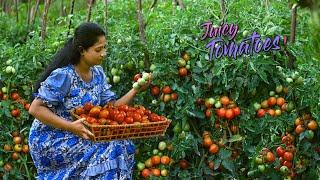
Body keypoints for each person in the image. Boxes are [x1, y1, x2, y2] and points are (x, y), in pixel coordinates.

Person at [28, 22, 150, 179]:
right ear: (82, 51)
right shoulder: (65, 75)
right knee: (113, 148)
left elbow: (111, 107)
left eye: (104, 48)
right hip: (51, 138)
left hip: (80, 133)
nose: (103, 53)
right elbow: (35, 109)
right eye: (98, 49)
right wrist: (71, 127)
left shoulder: (98, 73)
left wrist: (135, 89)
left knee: (123, 143)